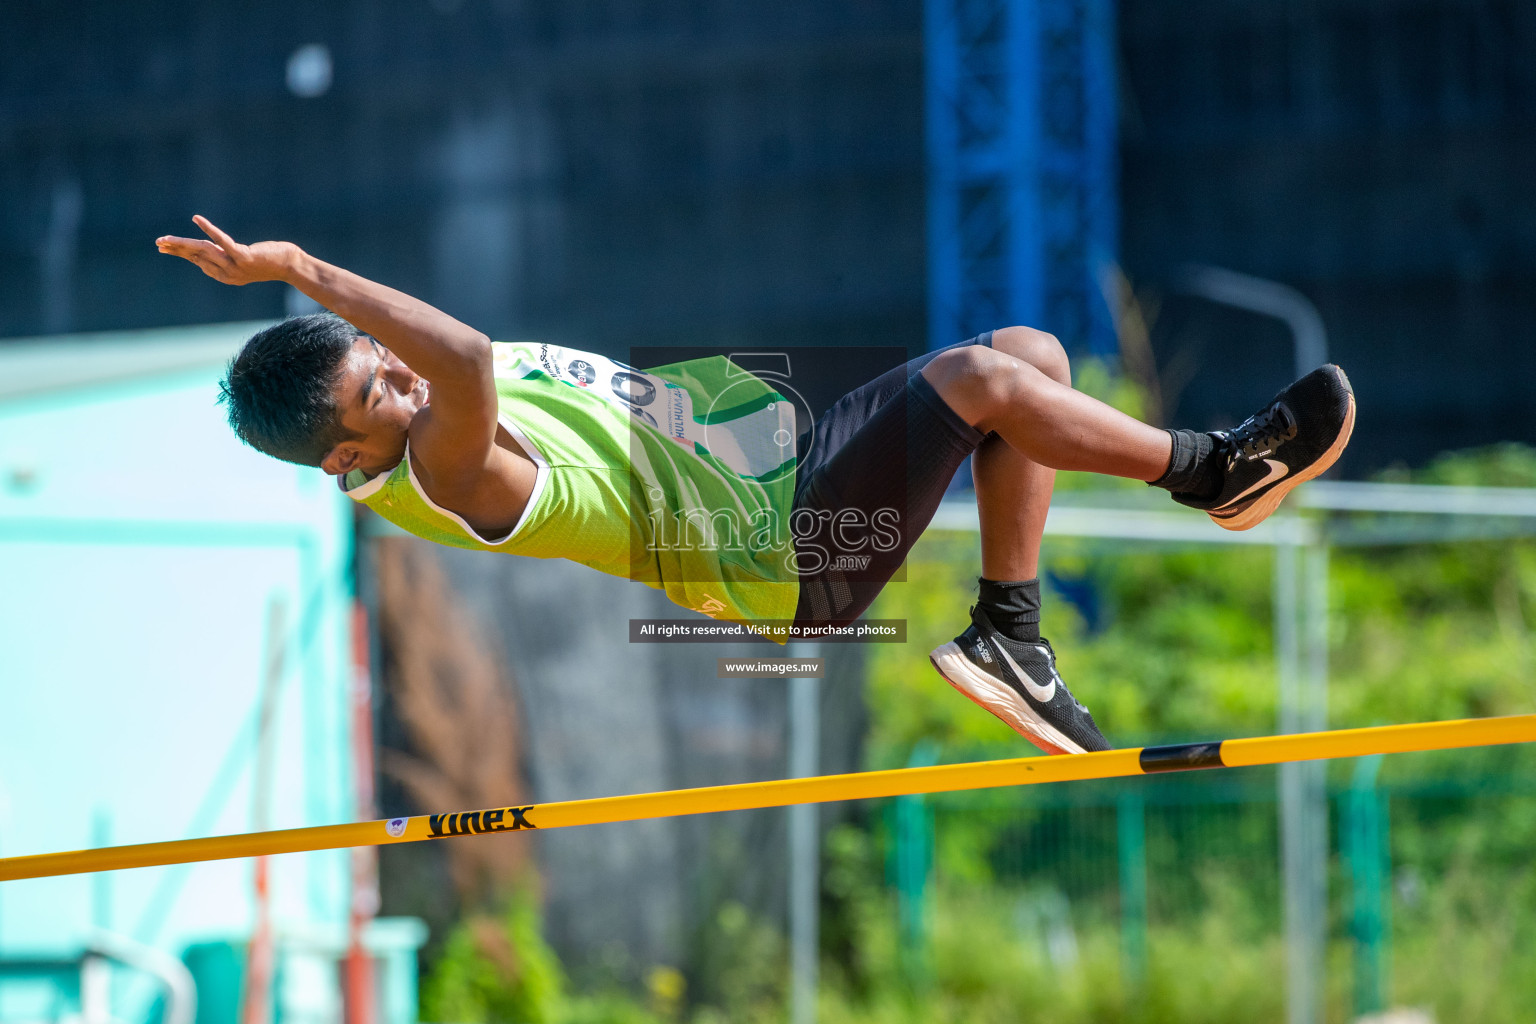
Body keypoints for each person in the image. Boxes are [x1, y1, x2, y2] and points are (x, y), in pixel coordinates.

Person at [157, 216, 1355, 756]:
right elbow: (464, 358)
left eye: (386, 364)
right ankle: (1216, 470)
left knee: (1027, 357)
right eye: (381, 395)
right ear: (346, 462)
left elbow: (442, 354)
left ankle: (1012, 642)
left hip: (776, 481)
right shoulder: (441, 468)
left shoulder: (409, 408)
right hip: (781, 555)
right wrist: (305, 270)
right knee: (991, 378)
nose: (406, 382)